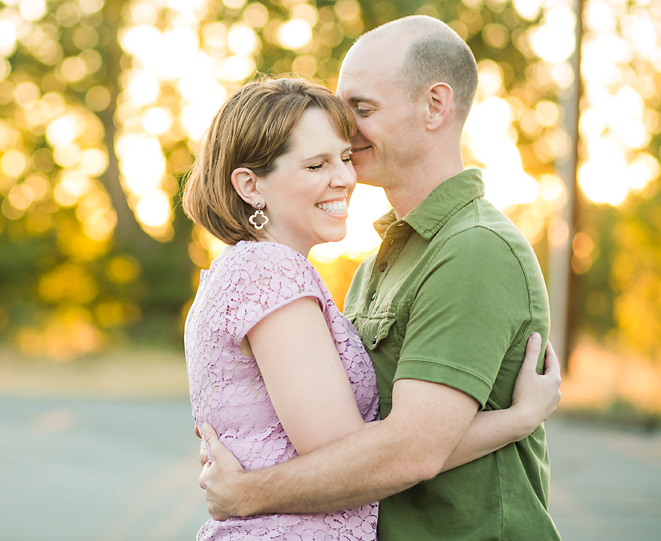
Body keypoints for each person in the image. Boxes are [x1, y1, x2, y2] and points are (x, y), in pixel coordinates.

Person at [184, 70, 561, 540]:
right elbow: (355, 458)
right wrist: (516, 420)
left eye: (344, 157)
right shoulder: (269, 273)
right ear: (250, 186)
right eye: (316, 166)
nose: (345, 177)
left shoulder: (251, 271)